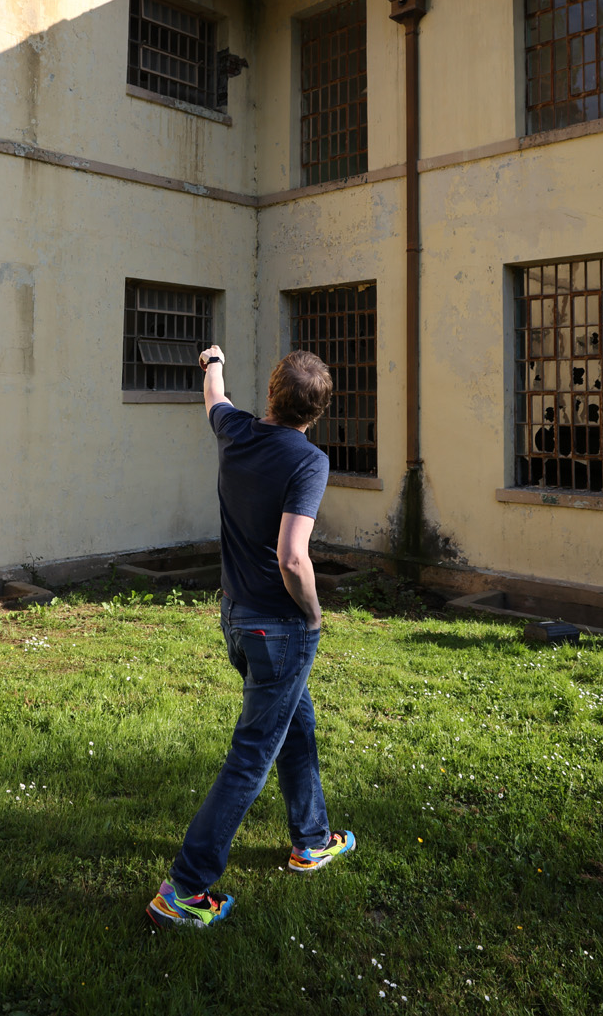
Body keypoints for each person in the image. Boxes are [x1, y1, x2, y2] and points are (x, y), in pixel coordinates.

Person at [146, 345, 357, 929]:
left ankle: (311, 838)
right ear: (318, 412)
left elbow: (215, 396)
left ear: (271, 395)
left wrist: (213, 358)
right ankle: (184, 888)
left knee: (297, 722)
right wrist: (314, 615)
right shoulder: (309, 461)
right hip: (281, 628)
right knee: (251, 757)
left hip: (237, 620)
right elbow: (293, 559)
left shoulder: (234, 431)